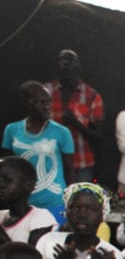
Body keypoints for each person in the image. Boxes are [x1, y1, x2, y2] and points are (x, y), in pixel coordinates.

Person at [36, 183, 121, 259]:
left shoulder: (109, 255)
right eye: (75, 207)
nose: (82, 214)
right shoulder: (48, 241)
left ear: (103, 214)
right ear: (66, 212)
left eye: (91, 209)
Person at [1, 82, 74, 222]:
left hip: (54, 201)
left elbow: (70, 170)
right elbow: (6, 167)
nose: (47, 107)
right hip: (22, 203)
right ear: (27, 104)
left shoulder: (62, 132)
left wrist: (69, 201)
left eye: (48, 102)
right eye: (40, 102)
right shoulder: (12, 130)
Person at [45, 50, 103, 184]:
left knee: (78, 201)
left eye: (70, 60)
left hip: (81, 162)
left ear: (79, 66)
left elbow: (98, 135)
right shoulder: (45, 91)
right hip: (51, 160)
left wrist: (76, 124)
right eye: (62, 60)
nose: (65, 64)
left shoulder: (91, 95)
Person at [0, 157, 57, 246]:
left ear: (28, 186)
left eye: (6, 180)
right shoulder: (1, 215)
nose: (1, 184)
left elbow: (30, 258)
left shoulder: (41, 217)